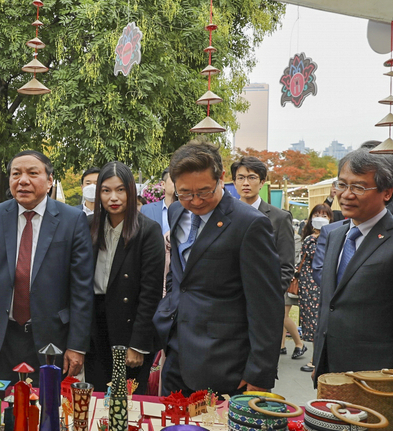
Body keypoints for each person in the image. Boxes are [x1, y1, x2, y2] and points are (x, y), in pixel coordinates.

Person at [152, 140, 284, 396]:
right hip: (177, 352)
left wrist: (259, 373)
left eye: (204, 191)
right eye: (185, 193)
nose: (196, 201)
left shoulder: (250, 224)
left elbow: (266, 306)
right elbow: (179, 276)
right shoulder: (177, 211)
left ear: (222, 178)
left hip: (225, 363)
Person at [0, 149, 94, 386]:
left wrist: (77, 346)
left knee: (47, 411)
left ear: (50, 180)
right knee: (1, 410)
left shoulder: (72, 220)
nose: (23, 180)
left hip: (52, 338)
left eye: (32, 173)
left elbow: (82, 289)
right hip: (0, 338)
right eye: (16, 174)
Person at [312, 148, 393, 383]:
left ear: (387, 192)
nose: (346, 195)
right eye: (342, 185)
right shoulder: (335, 235)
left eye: (358, 187)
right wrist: (319, 360)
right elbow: (330, 304)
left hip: (375, 375)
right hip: (329, 370)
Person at [85, 161, 165, 393]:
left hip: (129, 325)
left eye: (121, 190)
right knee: (97, 395)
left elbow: (150, 293)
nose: (113, 197)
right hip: (94, 324)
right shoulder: (88, 226)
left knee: (127, 400)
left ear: (131, 192)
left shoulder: (147, 231)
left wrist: (138, 344)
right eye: (106, 190)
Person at [230, 157, 304, 359]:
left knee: (259, 362)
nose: (246, 183)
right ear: (234, 182)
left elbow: (286, 266)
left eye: (252, 177)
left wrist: (266, 299)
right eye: (241, 178)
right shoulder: (224, 215)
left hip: (263, 305)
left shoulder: (279, 218)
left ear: (262, 182)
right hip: (228, 304)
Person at [296, 204, 333, 373]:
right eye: (317, 215)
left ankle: (315, 359)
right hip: (307, 285)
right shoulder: (309, 239)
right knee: (311, 322)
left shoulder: (333, 237)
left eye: (324, 215)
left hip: (321, 284)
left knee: (319, 322)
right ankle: (315, 357)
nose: (320, 218)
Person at [140, 168, 175, 236]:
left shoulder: (189, 211)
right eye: (174, 180)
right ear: (163, 184)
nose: (178, 183)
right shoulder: (147, 210)